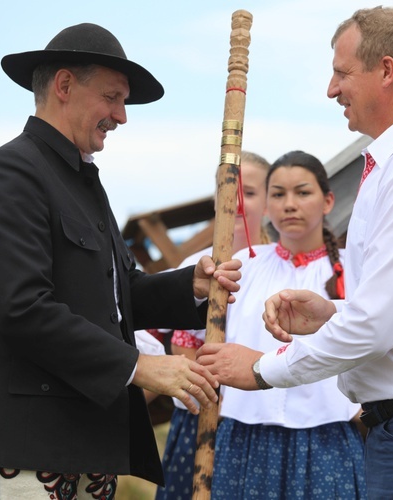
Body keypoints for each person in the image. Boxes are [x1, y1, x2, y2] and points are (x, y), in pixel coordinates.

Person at [197, 7, 393, 498]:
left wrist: (261, 369)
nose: (331, 89)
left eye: (342, 73)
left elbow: (379, 324)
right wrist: (332, 313)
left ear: (386, 71)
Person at [0, 23, 241, 499]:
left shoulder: (86, 184)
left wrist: (193, 286)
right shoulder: (12, 171)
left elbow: (119, 296)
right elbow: (19, 308)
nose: (121, 116)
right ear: (64, 85)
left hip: (85, 446)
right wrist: (139, 367)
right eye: (112, 97)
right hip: (22, 450)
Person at [209, 150, 366, 499]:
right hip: (245, 434)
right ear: (266, 205)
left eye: (303, 192)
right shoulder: (240, 268)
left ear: (327, 201)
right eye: (278, 194)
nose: (289, 204)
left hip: (327, 437)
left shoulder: (356, 270)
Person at [155, 151, 271, 499]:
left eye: (248, 193)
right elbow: (183, 344)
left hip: (261, 422)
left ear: (269, 200)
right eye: (227, 191)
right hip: (202, 418)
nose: (236, 202)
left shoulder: (279, 264)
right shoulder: (196, 266)